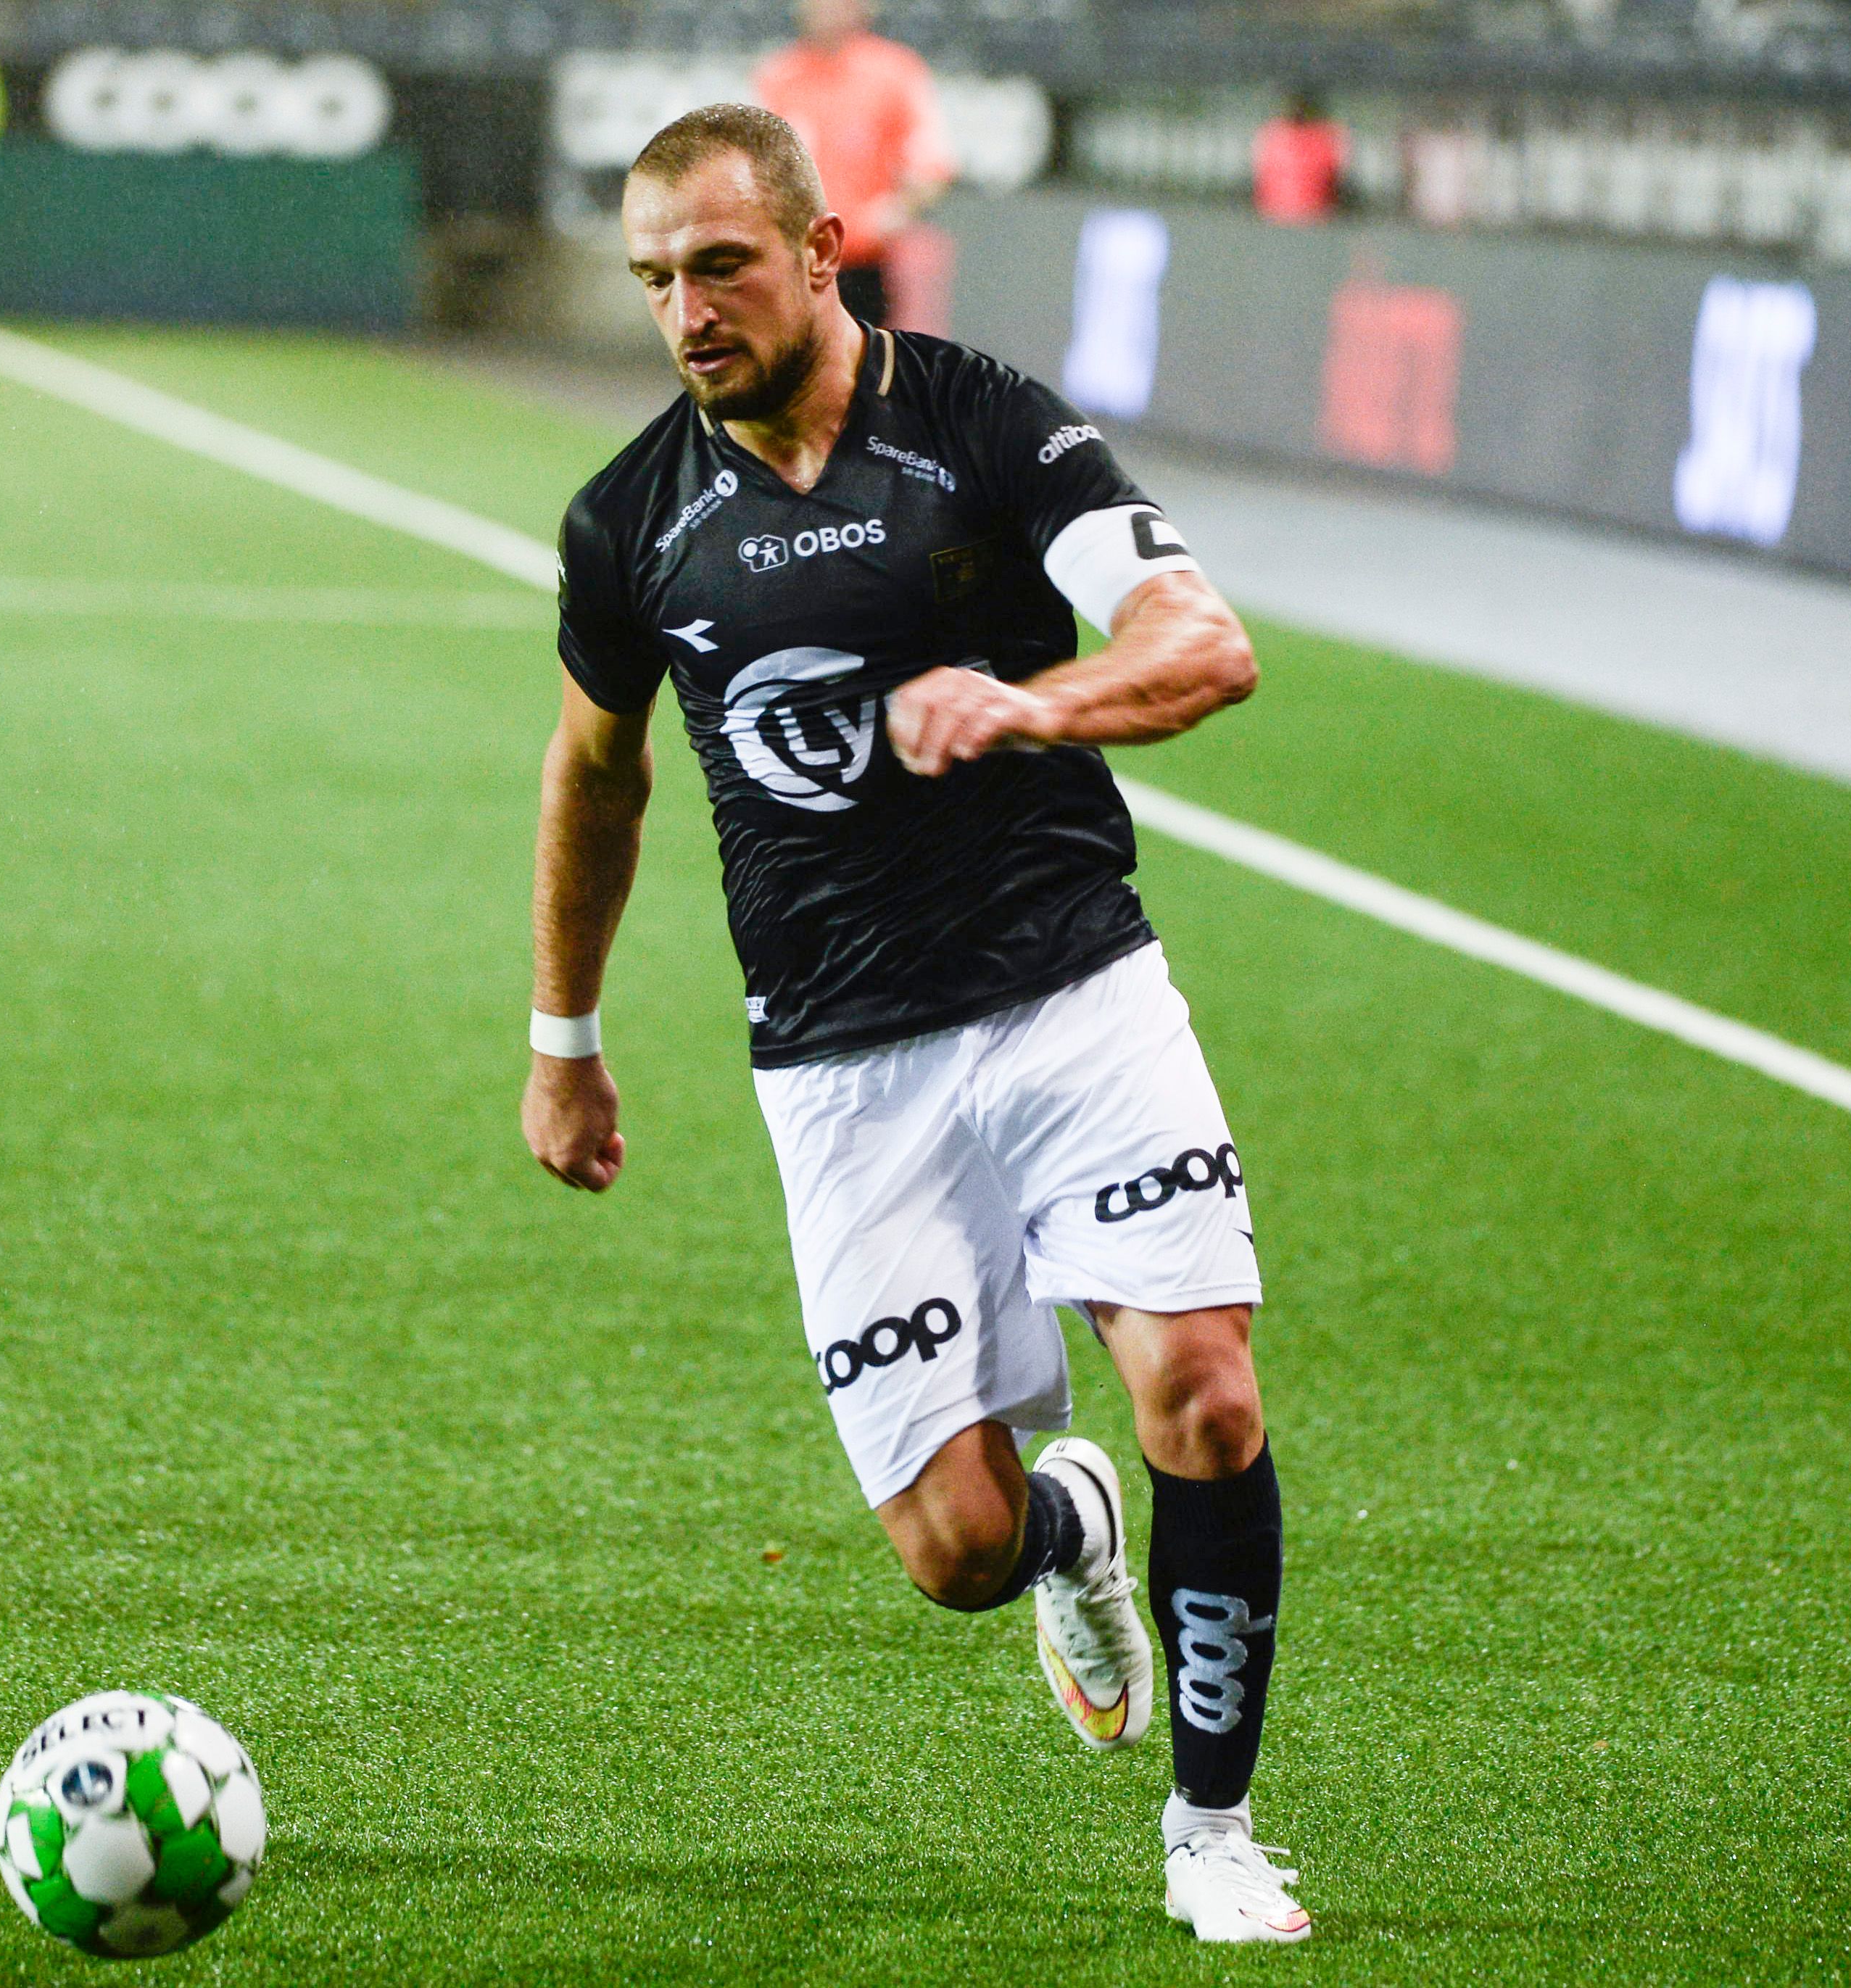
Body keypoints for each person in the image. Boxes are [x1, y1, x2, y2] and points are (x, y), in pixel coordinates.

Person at [523, 103, 1309, 1944]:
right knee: (956, 1550)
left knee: (1202, 1388)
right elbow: (595, 773)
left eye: (721, 266)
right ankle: (1068, 1537)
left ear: (820, 249)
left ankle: (1211, 1832)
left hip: (1071, 991)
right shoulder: (628, 523)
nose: (686, 311)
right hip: (841, 1056)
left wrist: (1032, 706)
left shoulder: (984, 426)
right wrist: (563, 1036)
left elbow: (1203, 643)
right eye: (654, 279)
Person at [753, 0, 956, 329]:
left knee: (864, 355)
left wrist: (898, 210)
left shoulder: (893, 72)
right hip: (796, 260)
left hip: (864, 262)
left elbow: (931, 160)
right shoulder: (779, 75)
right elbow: (756, 165)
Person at [1254, 92, 1344, 225]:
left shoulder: (1273, 133)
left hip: (1273, 214)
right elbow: (1335, 178)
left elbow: (1261, 175)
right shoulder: (1326, 136)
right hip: (1316, 215)